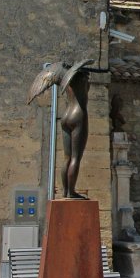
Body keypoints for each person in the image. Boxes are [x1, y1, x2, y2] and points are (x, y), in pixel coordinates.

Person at [28, 60, 94, 199]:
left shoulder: (65, 79)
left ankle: (65, 191)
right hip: (78, 115)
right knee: (76, 157)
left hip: (66, 116)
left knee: (67, 157)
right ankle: (71, 192)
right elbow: (86, 87)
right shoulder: (82, 80)